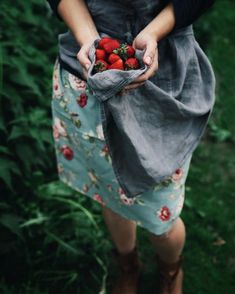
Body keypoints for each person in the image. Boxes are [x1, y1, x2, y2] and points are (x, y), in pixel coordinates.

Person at [47, 0, 215, 293]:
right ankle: (129, 265)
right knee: (111, 193)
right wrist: (90, 40)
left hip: (163, 82)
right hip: (86, 78)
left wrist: (151, 33)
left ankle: (170, 271)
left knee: (161, 211)